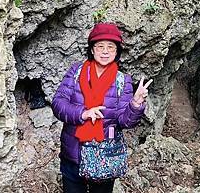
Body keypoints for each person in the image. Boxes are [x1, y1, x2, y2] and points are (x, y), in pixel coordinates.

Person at [52, 22, 152, 193]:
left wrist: (136, 104)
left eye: (110, 47)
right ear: (92, 49)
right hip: (74, 152)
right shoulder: (76, 72)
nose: (105, 51)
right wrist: (83, 114)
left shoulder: (123, 80)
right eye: (100, 46)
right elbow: (58, 103)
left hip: (105, 155)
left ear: (116, 51)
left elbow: (124, 121)